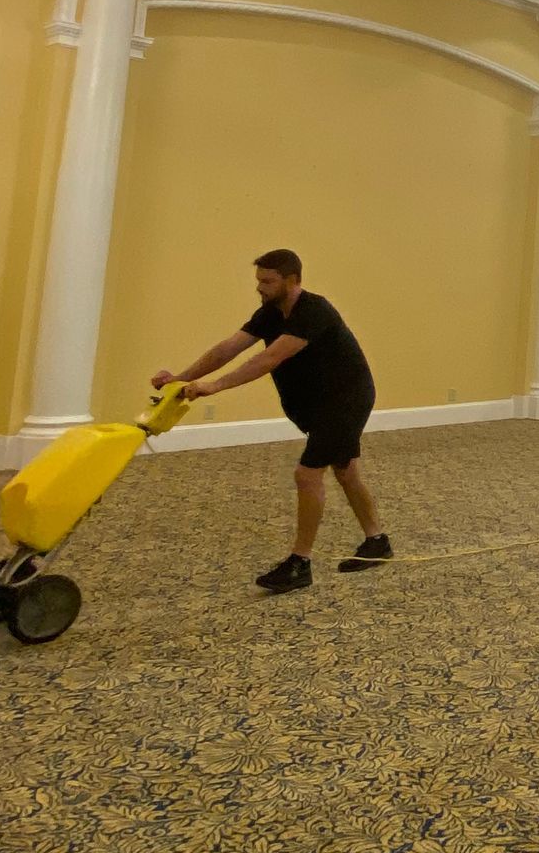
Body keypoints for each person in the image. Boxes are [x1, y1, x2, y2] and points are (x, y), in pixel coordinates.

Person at [155, 249, 390, 594]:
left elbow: (269, 358)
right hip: (316, 404)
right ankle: (377, 541)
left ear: (291, 280)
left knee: (307, 474)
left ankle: (299, 563)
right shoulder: (270, 313)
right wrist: (180, 378)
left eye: (267, 281)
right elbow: (227, 349)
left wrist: (214, 386)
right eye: (259, 281)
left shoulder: (314, 311)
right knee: (345, 470)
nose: (260, 288)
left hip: (345, 400)